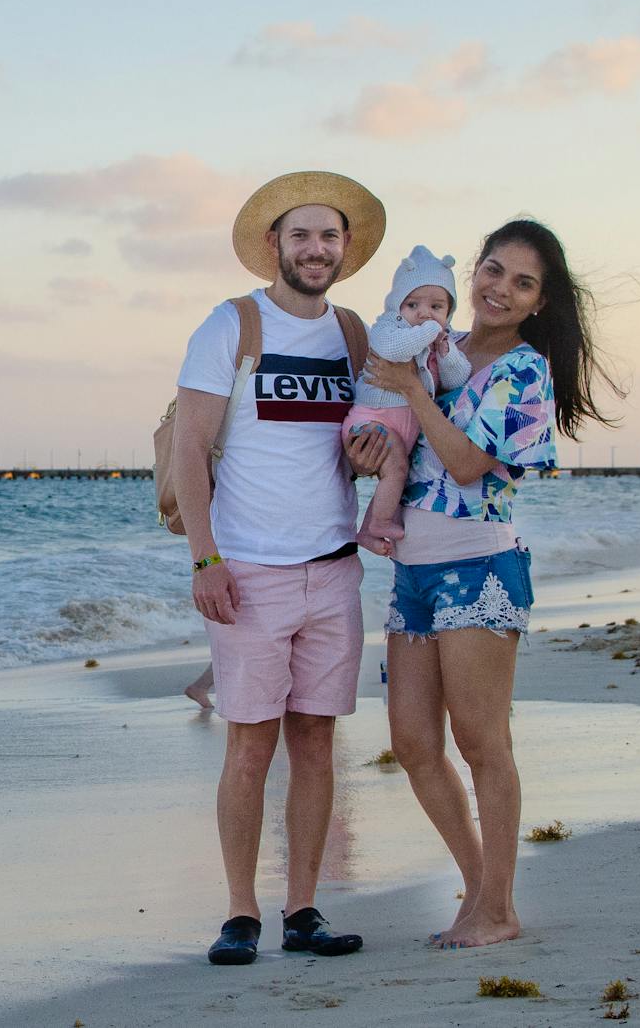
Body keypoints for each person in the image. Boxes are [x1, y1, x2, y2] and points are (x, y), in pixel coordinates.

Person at [364, 218, 621, 949]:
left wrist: (410, 392)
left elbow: (469, 464)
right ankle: (482, 891)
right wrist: (368, 446)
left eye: (522, 282)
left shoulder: (525, 371)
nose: (500, 289)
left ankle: (498, 908)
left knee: (482, 743)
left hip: (478, 567)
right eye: (494, 270)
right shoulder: (435, 344)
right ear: (473, 271)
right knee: (413, 744)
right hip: (412, 571)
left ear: (540, 301)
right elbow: (395, 436)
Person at [172, 171, 390, 966]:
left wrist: (369, 456)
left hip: (333, 572)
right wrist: (205, 559)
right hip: (249, 573)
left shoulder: (355, 335)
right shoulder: (232, 325)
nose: (315, 248)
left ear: (346, 247)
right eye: (300, 235)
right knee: (249, 748)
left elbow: (358, 444)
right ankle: (241, 914)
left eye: (328, 235)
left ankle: (304, 909)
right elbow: (190, 449)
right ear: (275, 245)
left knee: (317, 745)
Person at [344, 246, 471, 555]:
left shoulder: (439, 339)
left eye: (436, 307)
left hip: (403, 427)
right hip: (372, 420)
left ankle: (368, 530)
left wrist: (447, 353)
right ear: (397, 305)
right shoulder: (390, 327)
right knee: (396, 469)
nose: (424, 313)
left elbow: (457, 379)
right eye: (413, 304)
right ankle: (380, 522)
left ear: (449, 312)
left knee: (396, 476)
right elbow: (393, 350)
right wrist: (429, 331)